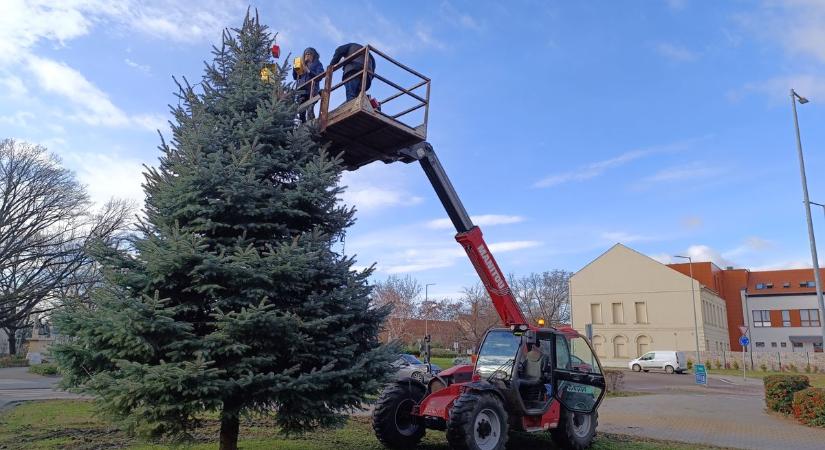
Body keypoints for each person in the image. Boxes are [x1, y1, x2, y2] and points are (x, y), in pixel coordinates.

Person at [292, 47, 324, 121]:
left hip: (312, 90)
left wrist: (308, 71)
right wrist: (295, 68)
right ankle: (303, 126)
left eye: (309, 54)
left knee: (310, 109)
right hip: (302, 91)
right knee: (301, 112)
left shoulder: (317, 64)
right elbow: (295, 77)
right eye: (306, 54)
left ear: (313, 55)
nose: (307, 55)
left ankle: (311, 125)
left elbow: (320, 76)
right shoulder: (302, 65)